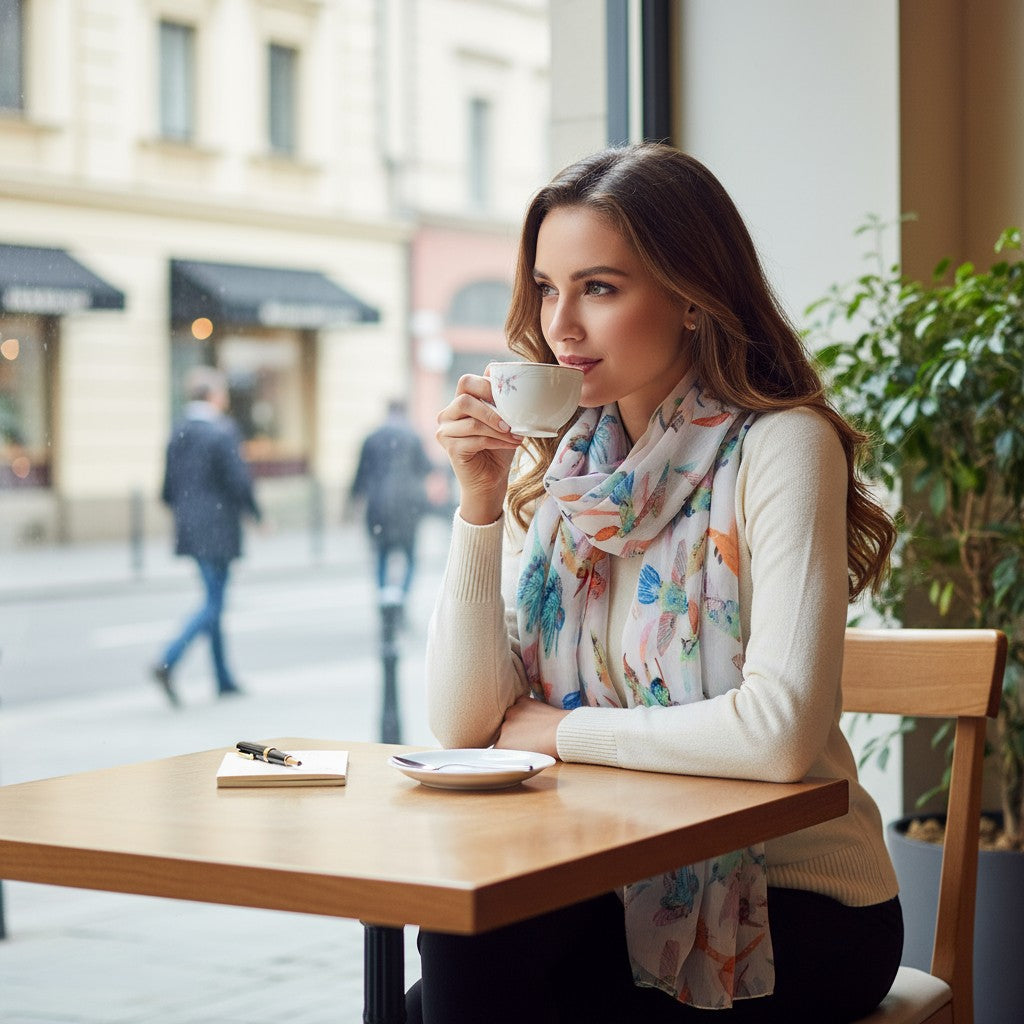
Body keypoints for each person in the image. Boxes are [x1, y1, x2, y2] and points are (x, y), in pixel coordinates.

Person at [409, 143, 904, 1024]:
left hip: (795, 905)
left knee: (475, 976)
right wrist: (478, 506)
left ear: (690, 296)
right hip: (605, 872)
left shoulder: (781, 445)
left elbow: (779, 735)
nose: (561, 326)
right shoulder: (571, 472)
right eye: (547, 288)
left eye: (598, 288)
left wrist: (562, 732)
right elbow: (466, 724)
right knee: (459, 948)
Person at [152, 365, 261, 705]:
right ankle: (168, 661)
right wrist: (256, 515)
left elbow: (167, 488)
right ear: (213, 396)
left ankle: (223, 678)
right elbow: (238, 481)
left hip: (191, 527)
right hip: (220, 526)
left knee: (214, 598)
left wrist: (186, 513)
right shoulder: (222, 431)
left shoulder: (178, 431)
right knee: (214, 602)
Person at [350, 398, 433, 599]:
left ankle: (383, 597)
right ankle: (401, 597)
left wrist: (353, 501)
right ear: (404, 412)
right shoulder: (413, 436)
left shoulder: (372, 438)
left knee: (381, 553)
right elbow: (426, 468)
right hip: (408, 507)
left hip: (378, 506)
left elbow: (360, 474)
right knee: (410, 556)